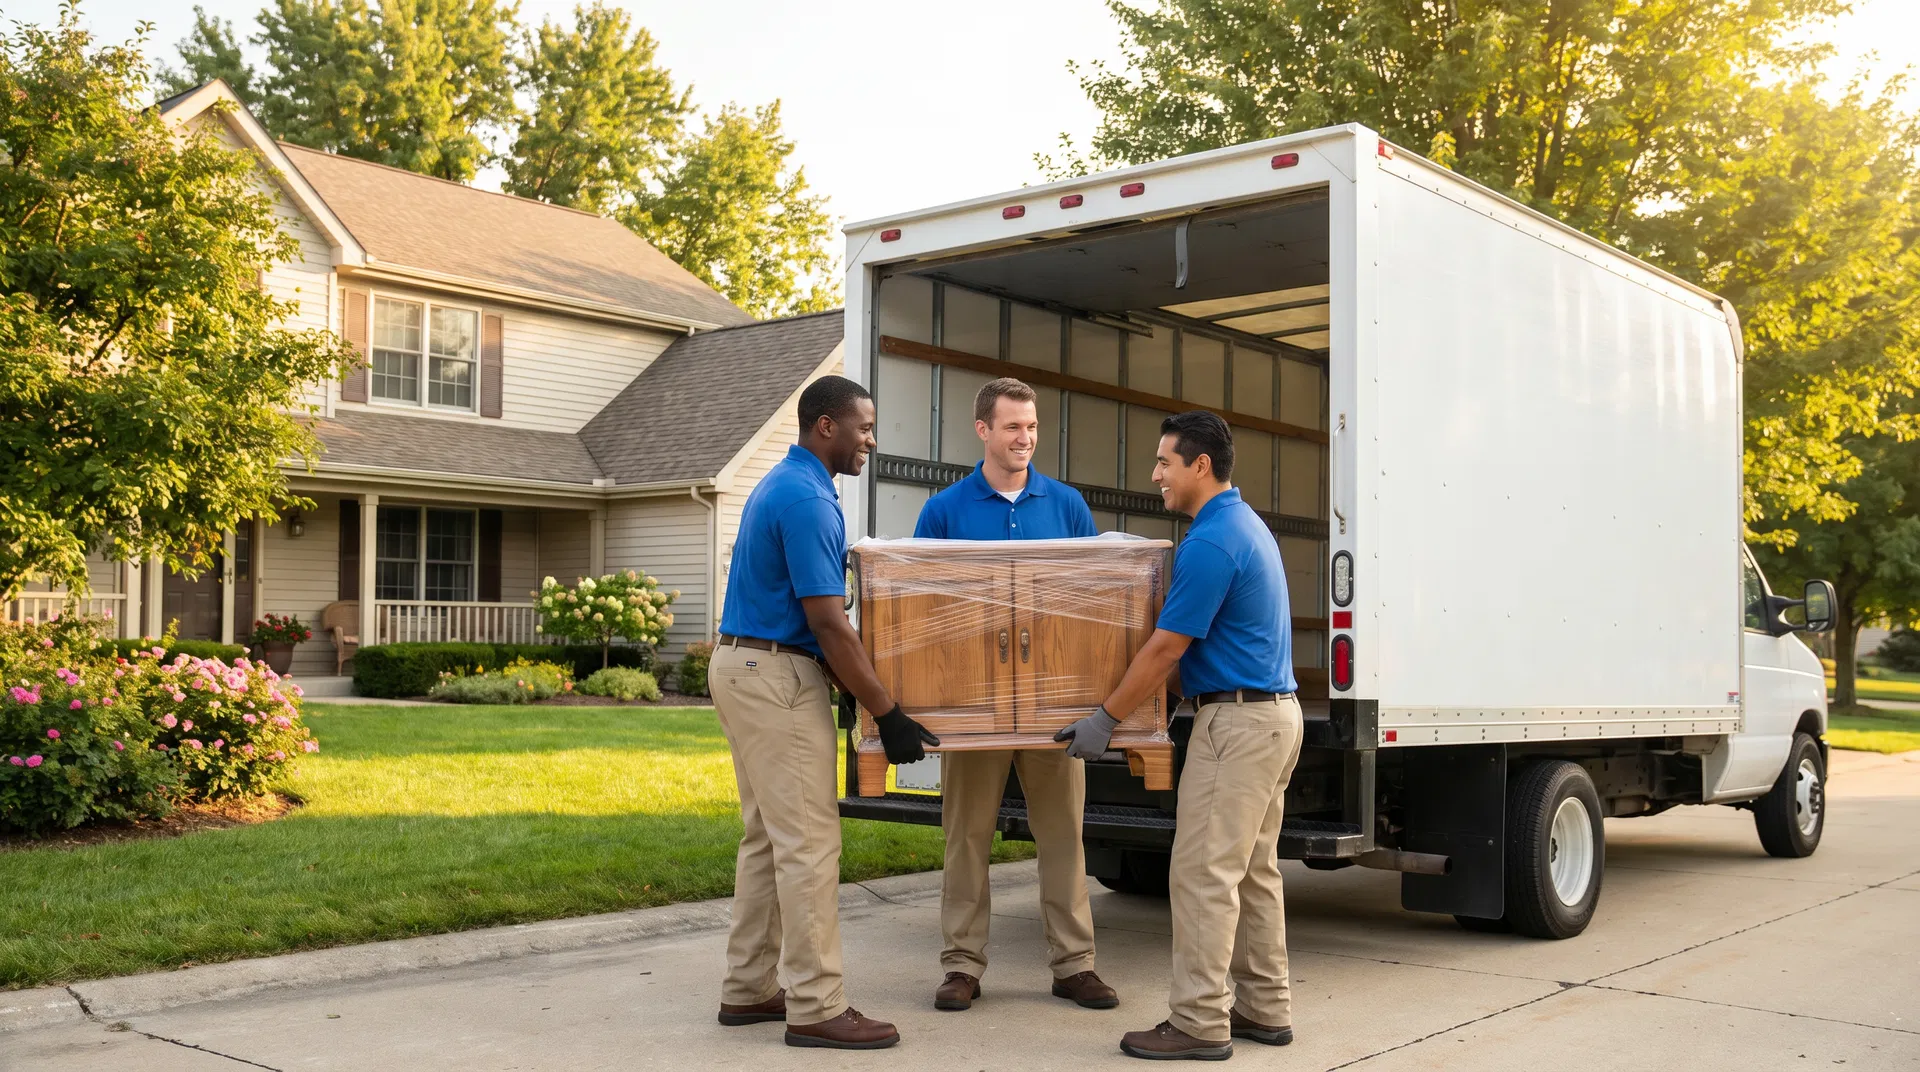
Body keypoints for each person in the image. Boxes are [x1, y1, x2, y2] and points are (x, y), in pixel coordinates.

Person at [1055, 410, 1302, 1061]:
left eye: (1165, 461)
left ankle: (1197, 1021)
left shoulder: (1213, 541)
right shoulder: (1241, 525)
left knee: (1201, 875)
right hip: (1273, 716)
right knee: (1250, 872)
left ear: (1199, 465)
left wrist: (1104, 719)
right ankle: (1263, 1007)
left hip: (1239, 724)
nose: (1155, 473)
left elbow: (1166, 648)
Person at [711, 374, 940, 1051]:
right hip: (777, 675)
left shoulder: (783, 485)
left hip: (744, 665)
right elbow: (829, 622)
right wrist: (887, 710)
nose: (872, 438)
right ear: (826, 427)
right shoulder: (809, 499)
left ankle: (749, 987)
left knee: (767, 838)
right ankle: (815, 1004)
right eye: (864, 426)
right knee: (810, 844)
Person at [913, 377, 1119, 1014]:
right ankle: (962, 967)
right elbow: (921, 605)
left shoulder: (1067, 506)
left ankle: (1074, 965)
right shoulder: (945, 510)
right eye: (1012, 428)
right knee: (966, 837)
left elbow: (1092, 605)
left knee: (1063, 836)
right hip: (974, 706)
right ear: (983, 430)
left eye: (1031, 427)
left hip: (1054, 707)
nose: (1024, 439)